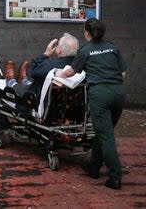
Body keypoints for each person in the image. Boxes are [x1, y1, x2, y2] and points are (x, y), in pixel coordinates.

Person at [57, 18, 126, 190]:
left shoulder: (85, 50)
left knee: (106, 135)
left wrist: (59, 74)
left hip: (100, 94)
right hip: (118, 93)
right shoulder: (113, 47)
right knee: (103, 132)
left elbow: (72, 71)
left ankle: (115, 176)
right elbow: (123, 74)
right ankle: (93, 167)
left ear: (87, 33)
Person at [13, 32, 79, 105]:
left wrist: (45, 54)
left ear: (59, 51)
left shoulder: (51, 66)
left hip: (37, 100)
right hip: (65, 105)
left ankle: (11, 81)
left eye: (57, 45)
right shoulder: (80, 67)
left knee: (14, 88)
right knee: (28, 82)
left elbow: (30, 71)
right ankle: (23, 80)